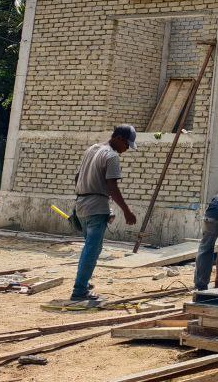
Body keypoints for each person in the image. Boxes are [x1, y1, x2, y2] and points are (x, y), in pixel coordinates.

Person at [70, 124, 138, 304]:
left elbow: (77, 177)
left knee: (90, 248)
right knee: (92, 250)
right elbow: (112, 187)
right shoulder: (112, 156)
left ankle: (83, 282)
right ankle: (79, 291)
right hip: (96, 208)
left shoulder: (92, 149)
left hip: (81, 206)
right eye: (127, 145)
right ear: (119, 138)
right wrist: (127, 211)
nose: (126, 149)